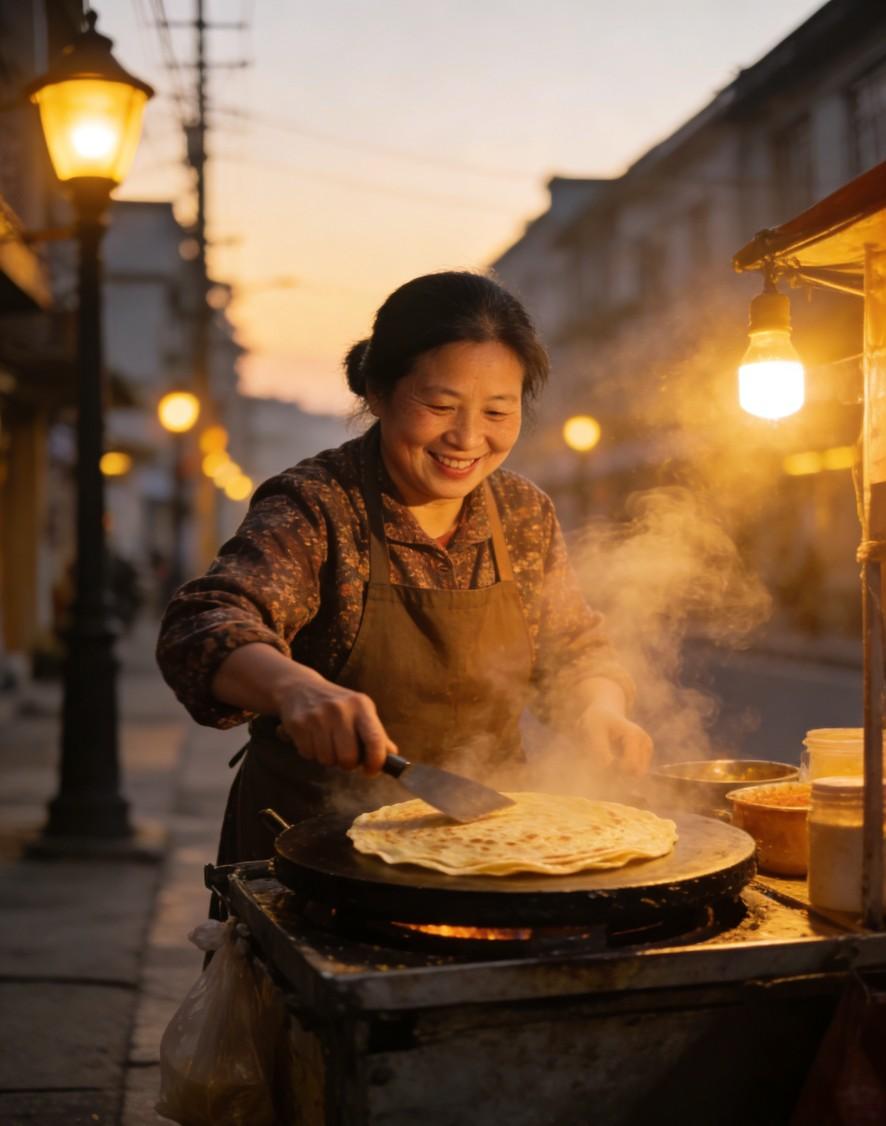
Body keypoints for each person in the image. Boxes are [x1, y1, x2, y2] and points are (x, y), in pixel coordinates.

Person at [156, 271, 653, 865]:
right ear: (377, 391)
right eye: (440, 405)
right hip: (315, 852)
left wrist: (600, 708)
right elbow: (204, 622)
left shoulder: (523, 514)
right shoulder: (317, 504)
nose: (468, 437)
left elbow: (573, 647)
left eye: (498, 410)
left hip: (487, 842)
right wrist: (296, 689)